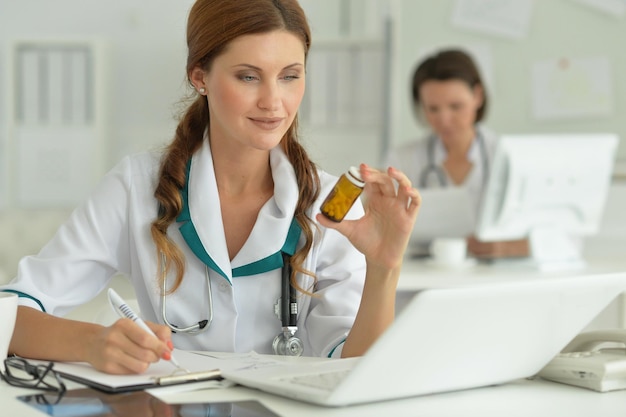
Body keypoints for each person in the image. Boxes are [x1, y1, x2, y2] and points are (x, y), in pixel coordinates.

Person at [0, 0, 420, 375]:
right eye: (248, 77)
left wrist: (384, 268)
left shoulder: (329, 206)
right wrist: (90, 343)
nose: (273, 101)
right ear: (200, 76)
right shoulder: (136, 187)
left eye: (290, 76)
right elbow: (10, 313)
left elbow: (355, 371)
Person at [385, 48, 527, 259]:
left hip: (496, 278)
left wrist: (504, 248)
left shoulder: (511, 157)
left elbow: (559, 237)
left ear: (477, 96)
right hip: (425, 277)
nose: (444, 119)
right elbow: (386, 232)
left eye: (455, 106)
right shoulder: (403, 160)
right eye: (433, 109)